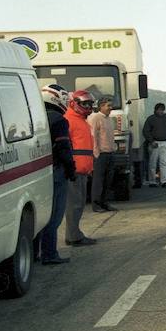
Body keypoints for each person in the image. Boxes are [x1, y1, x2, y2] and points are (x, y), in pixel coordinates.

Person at [39, 84, 75, 265]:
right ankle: (49, 253)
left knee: (40, 213)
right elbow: (63, 148)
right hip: (56, 170)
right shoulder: (59, 120)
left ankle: (37, 252)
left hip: (39, 170)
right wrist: (71, 169)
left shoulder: (36, 115)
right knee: (54, 214)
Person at [64, 90, 97, 246]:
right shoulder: (69, 121)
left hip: (83, 169)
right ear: (73, 103)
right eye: (85, 104)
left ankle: (73, 234)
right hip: (75, 171)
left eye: (90, 104)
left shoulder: (82, 121)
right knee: (74, 205)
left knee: (78, 204)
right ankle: (74, 237)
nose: (88, 107)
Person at [88, 96, 118, 212]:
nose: (111, 108)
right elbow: (93, 136)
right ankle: (96, 205)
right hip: (100, 154)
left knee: (108, 180)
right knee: (98, 181)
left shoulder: (109, 119)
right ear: (101, 106)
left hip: (110, 153)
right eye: (108, 106)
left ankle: (104, 203)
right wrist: (96, 153)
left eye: (111, 105)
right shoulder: (96, 118)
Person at [143, 103, 166, 187]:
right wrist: (151, 141)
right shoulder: (151, 119)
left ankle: (164, 181)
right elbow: (146, 131)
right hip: (154, 142)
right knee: (153, 163)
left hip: (164, 142)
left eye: (162, 110)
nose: (161, 111)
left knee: (164, 162)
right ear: (155, 110)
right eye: (159, 109)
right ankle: (152, 181)